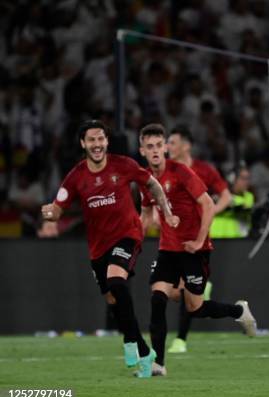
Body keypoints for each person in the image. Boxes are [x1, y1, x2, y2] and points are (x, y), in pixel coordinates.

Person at [41, 119, 179, 378]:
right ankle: (142, 348)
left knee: (116, 279)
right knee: (113, 300)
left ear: (106, 141)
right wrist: (49, 213)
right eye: (91, 140)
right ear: (83, 143)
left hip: (127, 235)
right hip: (98, 248)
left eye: (100, 139)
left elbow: (152, 184)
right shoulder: (76, 176)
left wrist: (167, 213)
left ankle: (132, 343)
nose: (97, 145)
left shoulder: (124, 165)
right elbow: (57, 209)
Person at [138, 123, 257, 376]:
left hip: (195, 250)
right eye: (151, 146)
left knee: (196, 307)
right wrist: (135, 237)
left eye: (160, 145)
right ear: (143, 151)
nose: (157, 150)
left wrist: (198, 240)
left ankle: (238, 311)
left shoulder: (181, 172)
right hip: (168, 250)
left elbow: (207, 204)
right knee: (157, 298)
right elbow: (147, 212)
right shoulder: (144, 180)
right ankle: (158, 363)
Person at [165, 126, 233, 353]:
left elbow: (226, 195)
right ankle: (206, 288)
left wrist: (210, 214)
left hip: (196, 239)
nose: (168, 147)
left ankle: (180, 340)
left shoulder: (203, 169)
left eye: (172, 142)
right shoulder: (166, 171)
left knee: (183, 290)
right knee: (174, 293)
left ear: (186, 145)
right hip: (173, 237)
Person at [210, 166, 255, 238]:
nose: (246, 182)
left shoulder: (249, 196)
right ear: (232, 179)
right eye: (243, 178)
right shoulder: (218, 194)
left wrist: (228, 204)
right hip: (216, 236)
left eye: (248, 179)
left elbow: (245, 209)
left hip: (238, 238)